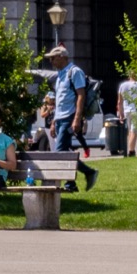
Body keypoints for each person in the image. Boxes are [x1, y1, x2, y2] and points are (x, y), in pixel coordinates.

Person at [45, 45, 99, 189]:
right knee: (65, 151)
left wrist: (77, 118)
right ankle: (71, 182)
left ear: (62, 57)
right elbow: (59, 99)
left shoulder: (75, 72)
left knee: (60, 152)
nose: (51, 61)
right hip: (60, 118)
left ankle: (89, 172)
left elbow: (81, 95)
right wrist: (53, 121)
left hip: (69, 117)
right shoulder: (60, 75)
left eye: (53, 58)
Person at [113, 72, 137, 155]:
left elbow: (119, 101)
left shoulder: (123, 85)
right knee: (134, 131)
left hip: (126, 110)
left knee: (130, 130)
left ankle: (128, 148)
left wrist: (120, 113)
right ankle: (131, 150)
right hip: (136, 110)